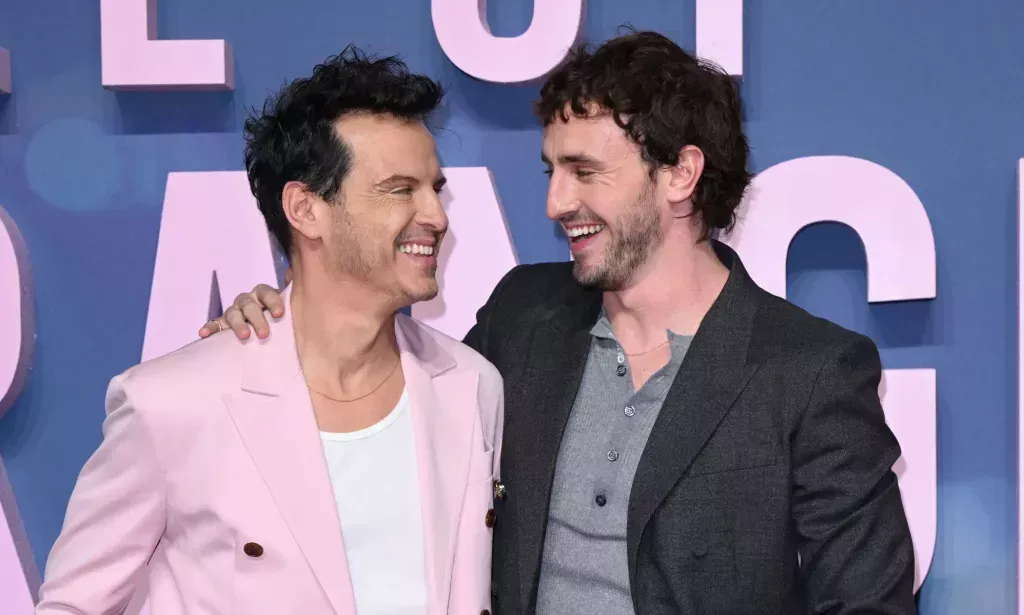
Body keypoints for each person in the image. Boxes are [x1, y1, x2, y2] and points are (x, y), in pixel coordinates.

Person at [202, 31, 916, 614]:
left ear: (680, 174)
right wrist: (284, 320)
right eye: (551, 172)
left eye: (584, 171)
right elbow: (382, 395)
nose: (555, 204)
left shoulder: (809, 371)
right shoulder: (523, 317)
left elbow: (868, 605)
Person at [37, 48, 503, 615]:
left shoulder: (470, 386)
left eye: (435, 188)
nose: (437, 215)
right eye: (401, 189)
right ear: (305, 210)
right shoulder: (174, 403)